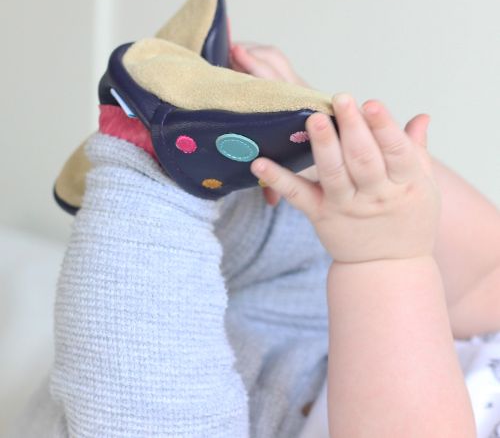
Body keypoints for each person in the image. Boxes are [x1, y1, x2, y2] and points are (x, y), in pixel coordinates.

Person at [13, 42, 499, 438]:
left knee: (155, 415)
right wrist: (331, 141)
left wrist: (387, 256)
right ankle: (232, 128)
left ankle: (142, 162)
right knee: (317, 216)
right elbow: (485, 276)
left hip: (224, 419)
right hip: (321, 336)